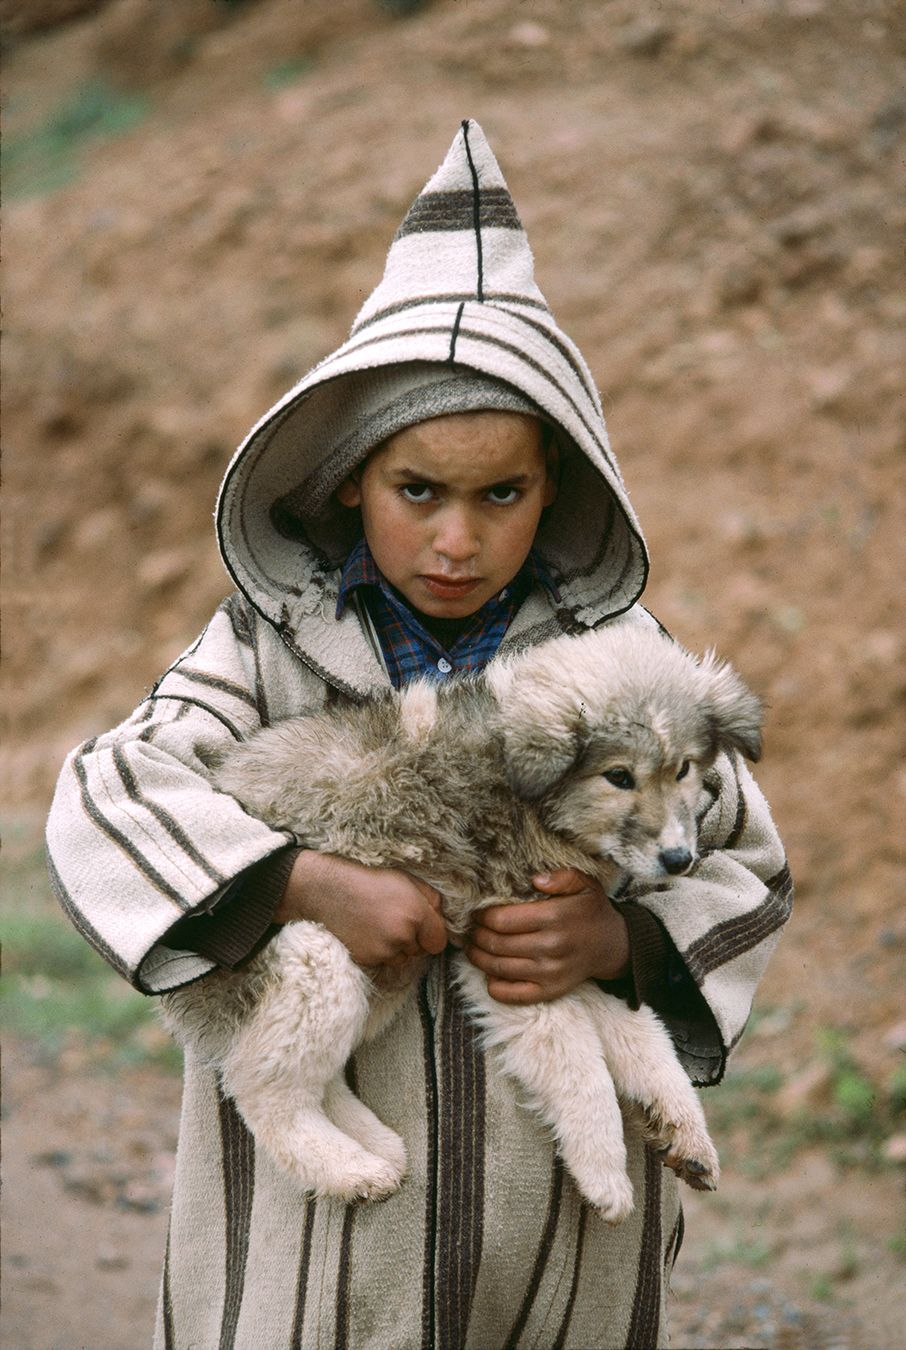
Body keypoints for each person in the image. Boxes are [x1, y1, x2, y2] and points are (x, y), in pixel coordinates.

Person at [46, 120, 791, 1349]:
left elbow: (743, 857)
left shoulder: (626, 661)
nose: (459, 541)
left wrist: (619, 932)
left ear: (557, 487)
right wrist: (304, 879)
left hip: (554, 1225)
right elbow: (110, 796)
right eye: (418, 493)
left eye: (501, 495)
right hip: (320, 1241)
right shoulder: (268, 644)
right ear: (349, 480)